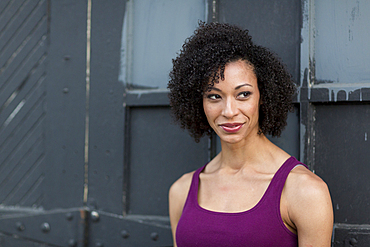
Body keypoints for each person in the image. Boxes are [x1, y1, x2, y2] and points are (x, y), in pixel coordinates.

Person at [167, 22, 333, 247]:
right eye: (214, 96)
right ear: (199, 102)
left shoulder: (304, 191)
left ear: (263, 96)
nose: (229, 111)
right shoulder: (181, 191)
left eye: (243, 94)